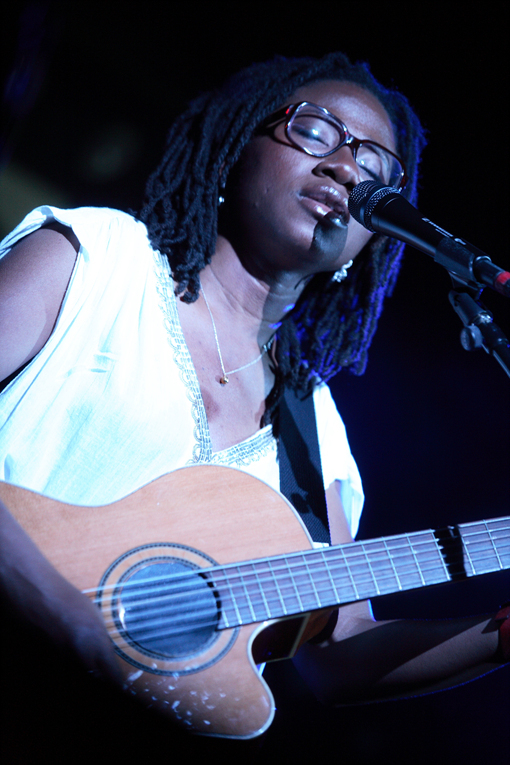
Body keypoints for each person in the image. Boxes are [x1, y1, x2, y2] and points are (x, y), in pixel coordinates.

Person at [0, 52, 507, 752]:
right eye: (317, 132)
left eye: (375, 166)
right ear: (238, 145)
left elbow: (340, 652)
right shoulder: (95, 259)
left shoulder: (317, 433)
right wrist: (74, 625)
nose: (346, 169)